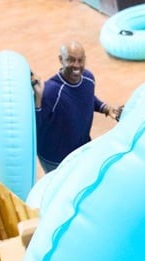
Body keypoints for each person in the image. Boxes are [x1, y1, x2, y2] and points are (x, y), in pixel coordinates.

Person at [31, 41, 121, 173]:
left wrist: (105, 108)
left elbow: (87, 97)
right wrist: (38, 100)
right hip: (56, 160)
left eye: (80, 60)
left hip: (82, 150)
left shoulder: (88, 78)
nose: (77, 66)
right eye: (71, 60)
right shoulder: (51, 92)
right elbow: (36, 126)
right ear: (61, 60)